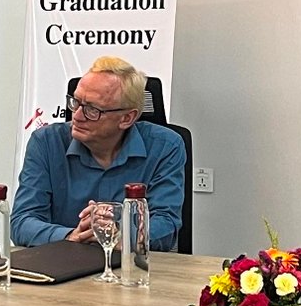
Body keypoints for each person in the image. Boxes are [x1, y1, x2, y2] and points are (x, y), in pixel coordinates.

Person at [12, 56, 185, 251]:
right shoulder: (46, 142)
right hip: (63, 260)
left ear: (127, 118)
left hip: (132, 264)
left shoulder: (165, 146)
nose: (77, 116)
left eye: (92, 110)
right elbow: (22, 221)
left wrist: (121, 235)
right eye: (76, 102)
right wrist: (72, 235)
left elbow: (166, 224)